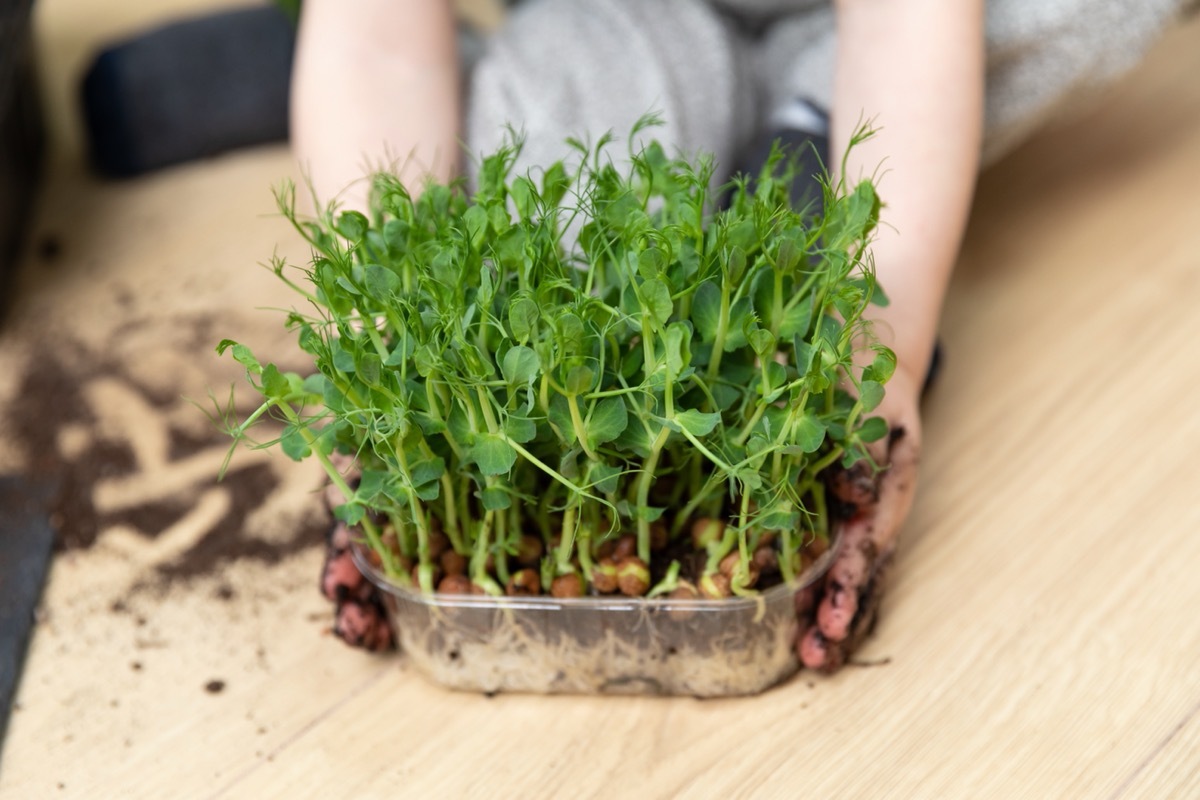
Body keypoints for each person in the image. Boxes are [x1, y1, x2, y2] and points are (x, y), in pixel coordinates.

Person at [290, 0, 1192, 672]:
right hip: (623, 23)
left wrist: (884, 346)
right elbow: (377, 42)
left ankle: (806, 124)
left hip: (882, 31)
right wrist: (387, 357)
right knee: (560, 204)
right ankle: (790, 159)